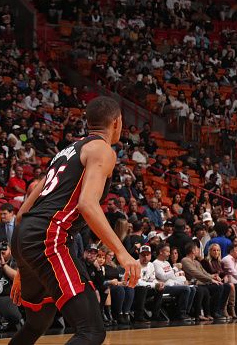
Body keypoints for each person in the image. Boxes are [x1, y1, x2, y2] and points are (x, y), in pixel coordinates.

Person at [9, 96, 141, 345]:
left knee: (38, 322)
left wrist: (22, 266)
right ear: (117, 122)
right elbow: (87, 204)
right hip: (50, 236)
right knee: (91, 332)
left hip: (26, 236)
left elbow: (21, 213)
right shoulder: (102, 149)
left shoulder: (64, 152)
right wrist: (122, 253)